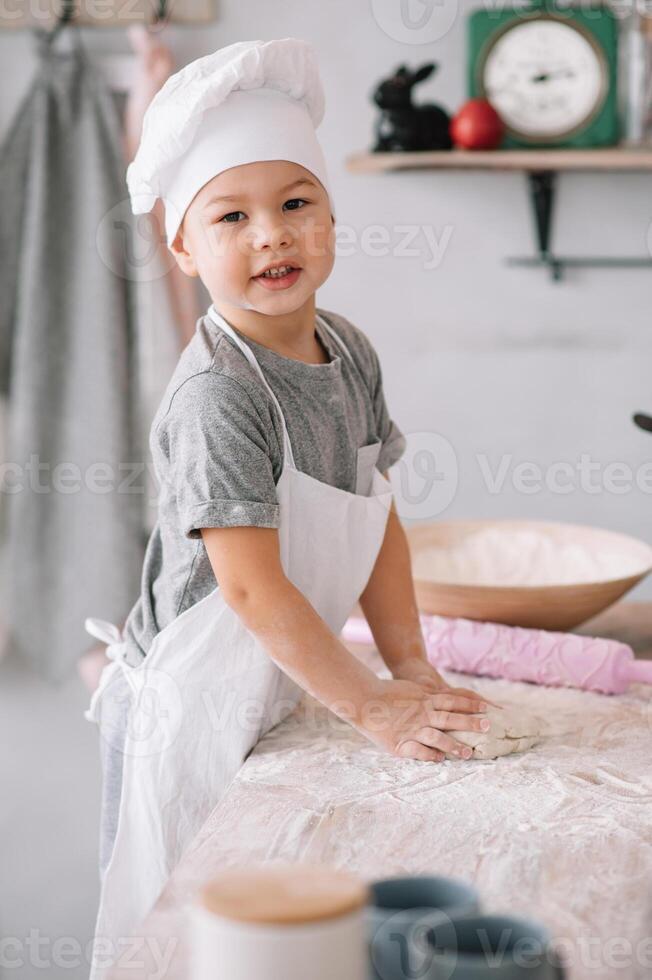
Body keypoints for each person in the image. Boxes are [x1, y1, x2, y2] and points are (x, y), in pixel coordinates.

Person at [83, 37, 501, 978]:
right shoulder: (218, 396)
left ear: (332, 220)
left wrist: (409, 665)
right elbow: (253, 592)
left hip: (276, 680)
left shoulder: (348, 351)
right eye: (232, 215)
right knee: (180, 933)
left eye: (295, 204)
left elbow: (377, 513)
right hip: (188, 705)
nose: (271, 234)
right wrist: (374, 711)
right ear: (184, 248)